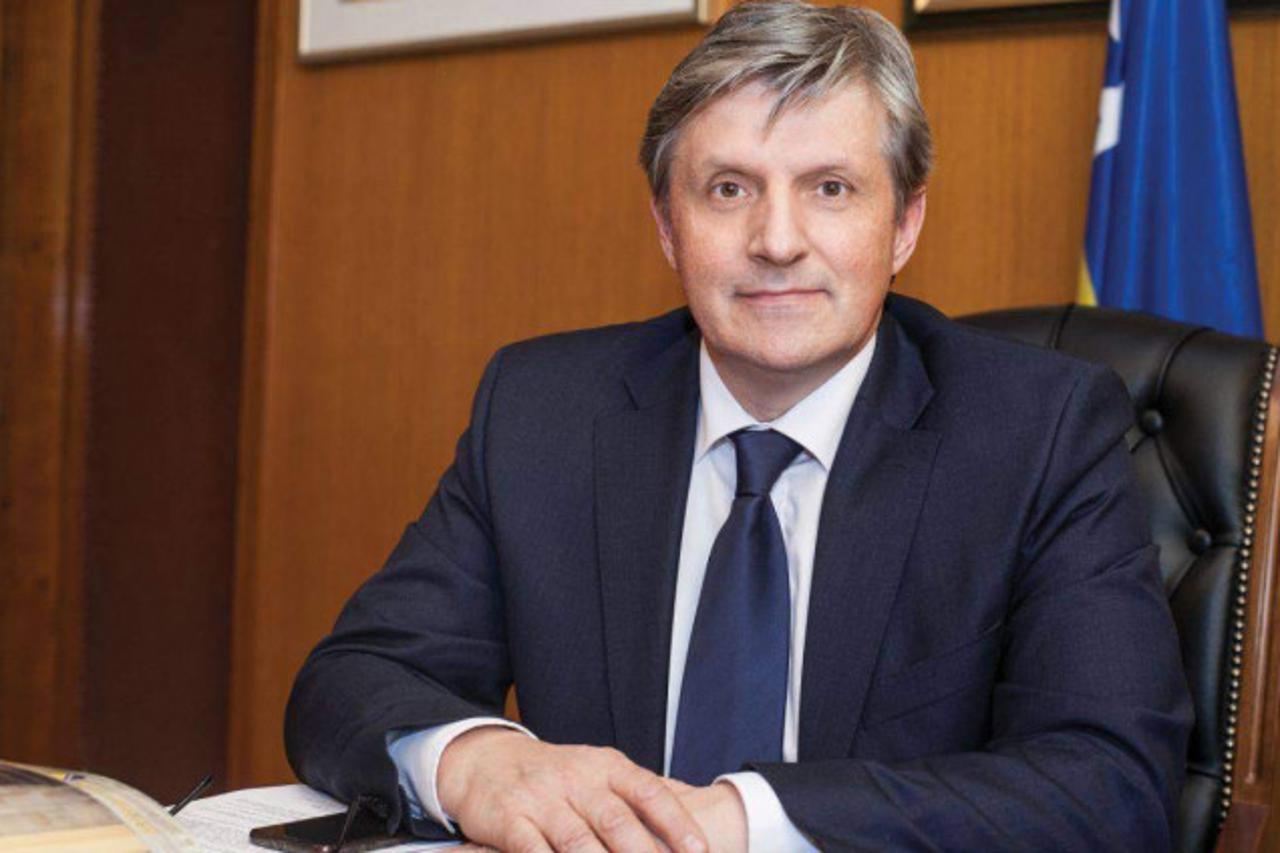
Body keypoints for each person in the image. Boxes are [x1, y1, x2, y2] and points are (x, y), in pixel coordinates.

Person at [284, 3, 1193, 850]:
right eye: (728, 189)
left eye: (830, 187)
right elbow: (350, 679)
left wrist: (746, 819)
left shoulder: (1036, 433)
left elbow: (1108, 784)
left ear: (904, 224)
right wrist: (474, 760)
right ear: (667, 226)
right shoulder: (544, 413)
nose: (777, 241)